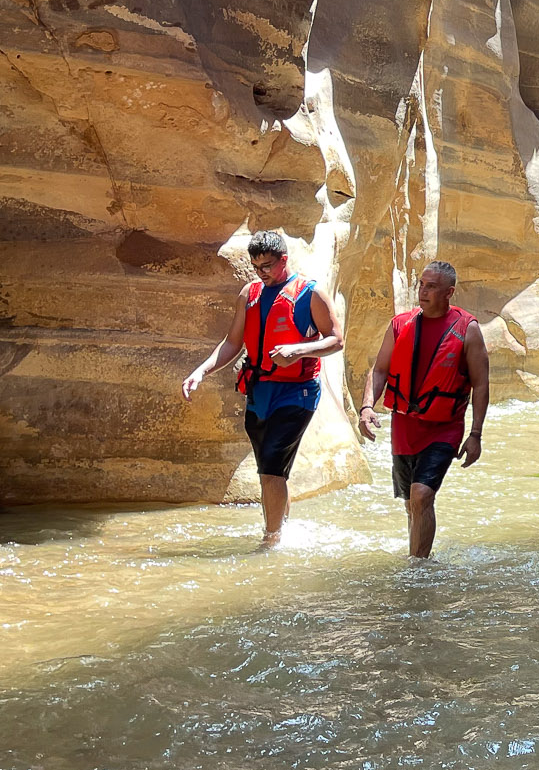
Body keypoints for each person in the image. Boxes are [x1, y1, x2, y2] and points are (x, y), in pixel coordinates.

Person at [182, 230, 345, 545]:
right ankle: (284, 528)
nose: (262, 272)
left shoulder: (310, 293)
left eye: (268, 265)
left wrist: (297, 350)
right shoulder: (250, 293)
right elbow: (233, 342)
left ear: (284, 259)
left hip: (297, 392)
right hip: (259, 392)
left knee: (270, 467)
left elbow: (336, 340)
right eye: (257, 267)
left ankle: (270, 541)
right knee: (270, 470)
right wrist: (201, 371)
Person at [359, 261, 489, 559]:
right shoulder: (400, 324)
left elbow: (481, 385)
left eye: (431, 286)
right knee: (410, 502)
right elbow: (379, 370)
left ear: (449, 292)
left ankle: (418, 569)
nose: (423, 291)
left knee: (421, 495)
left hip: (444, 427)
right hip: (404, 427)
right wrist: (367, 406)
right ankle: (417, 556)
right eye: (421, 284)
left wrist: (476, 434)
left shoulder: (467, 330)